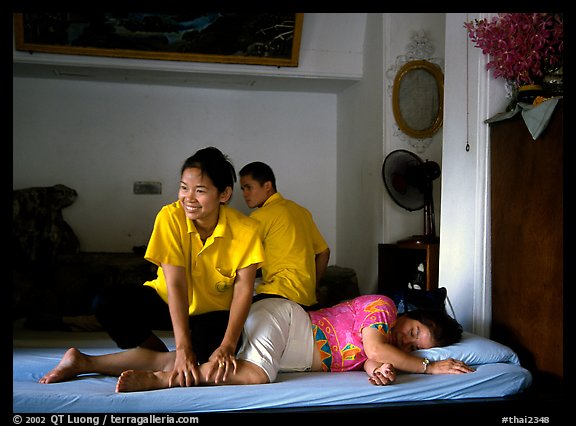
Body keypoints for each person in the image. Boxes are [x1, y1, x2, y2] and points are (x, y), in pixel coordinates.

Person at [91, 146, 265, 387]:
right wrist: (183, 349)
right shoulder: (169, 217)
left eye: (200, 191)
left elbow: (244, 290)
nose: (188, 198)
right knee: (107, 302)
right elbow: (175, 283)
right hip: (168, 301)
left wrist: (227, 346)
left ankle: (97, 362)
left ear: (224, 194)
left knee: (212, 357)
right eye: (184, 188)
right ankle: (160, 354)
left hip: (213, 315)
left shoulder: (247, 230)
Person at [40, 294, 474, 391]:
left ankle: (83, 362)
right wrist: (430, 367)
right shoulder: (382, 308)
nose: (408, 341)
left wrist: (379, 371)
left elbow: (369, 358)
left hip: (286, 341)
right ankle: (161, 382)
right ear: (410, 315)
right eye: (415, 332)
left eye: (418, 346)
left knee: (166, 354)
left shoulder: (386, 347)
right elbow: (378, 346)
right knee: (254, 376)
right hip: (288, 322)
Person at [239, 161, 330, 308]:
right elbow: (324, 252)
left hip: (278, 293)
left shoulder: (261, 216)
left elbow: (239, 258)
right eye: (243, 189)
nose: (244, 194)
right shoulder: (302, 212)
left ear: (267, 186)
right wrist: (314, 286)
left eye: (249, 187)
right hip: (307, 298)